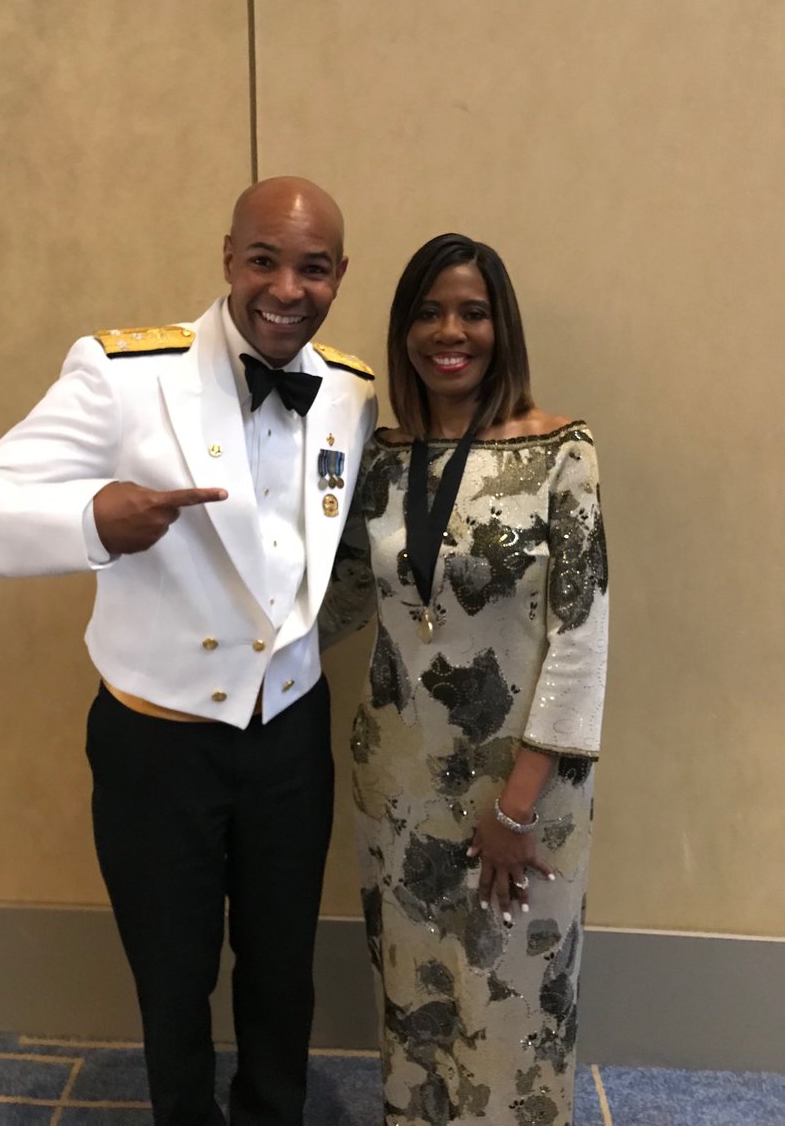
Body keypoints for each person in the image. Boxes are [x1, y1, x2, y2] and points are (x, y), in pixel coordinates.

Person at [0, 176, 377, 1126]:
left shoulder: (351, 390)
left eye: (313, 268)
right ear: (227, 259)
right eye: (264, 261)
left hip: (290, 732)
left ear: (340, 275)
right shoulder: (123, 375)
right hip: (158, 741)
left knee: (282, 967)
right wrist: (89, 521)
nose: (286, 289)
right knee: (173, 974)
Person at [321, 234, 608, 1126]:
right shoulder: (382, 459)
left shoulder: (561, 452)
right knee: (417, 997)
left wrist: (516, 811)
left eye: (472, 312)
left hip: (525, 782)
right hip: (397, 780)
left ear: (501, 326)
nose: (450, 332)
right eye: (429, 312)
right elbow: (334, 601)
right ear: (404, 328)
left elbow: (581, 638)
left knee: (516, 999)